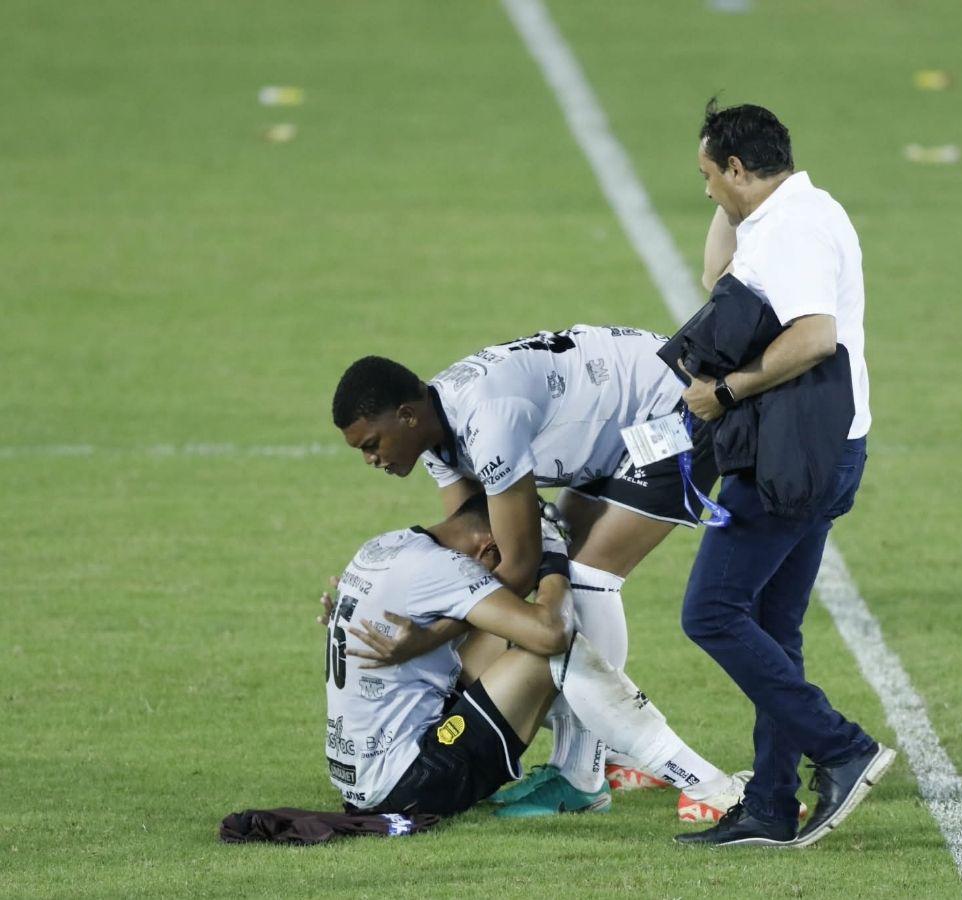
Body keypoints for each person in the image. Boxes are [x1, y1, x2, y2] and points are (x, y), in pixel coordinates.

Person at [328, 326, 736, 820]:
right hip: (612, 434)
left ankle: (590, 777)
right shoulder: (438, 438)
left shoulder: (486, 422)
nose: (371, 459)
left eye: (371, 443)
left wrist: (429, 637)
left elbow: (516, 569)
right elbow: (478, 556)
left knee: (584, 577)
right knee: (553, 586)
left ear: (407, 416)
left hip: (671, 407)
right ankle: (606, 754)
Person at [672, 100, 894, 848]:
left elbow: (814, 338)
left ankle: (842, 746)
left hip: (794, 456)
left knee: (711, 611)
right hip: (813, 448)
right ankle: (770, 804)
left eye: (709, 175)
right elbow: (716, 274)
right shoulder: (782, 215)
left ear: (739, 168)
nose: (704, 191)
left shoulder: (796, 228)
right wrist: (733, 201)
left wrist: (724, 391)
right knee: (771, 623)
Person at [321, 493, 744, 824]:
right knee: (552, 648)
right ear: (489, 546)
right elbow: (551, 634)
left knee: (506, 628)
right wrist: (552, 554)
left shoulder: (386, 546)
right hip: (412, 783)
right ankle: (703, 783)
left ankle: (610, 756)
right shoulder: (446, 569)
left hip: (361, 773)